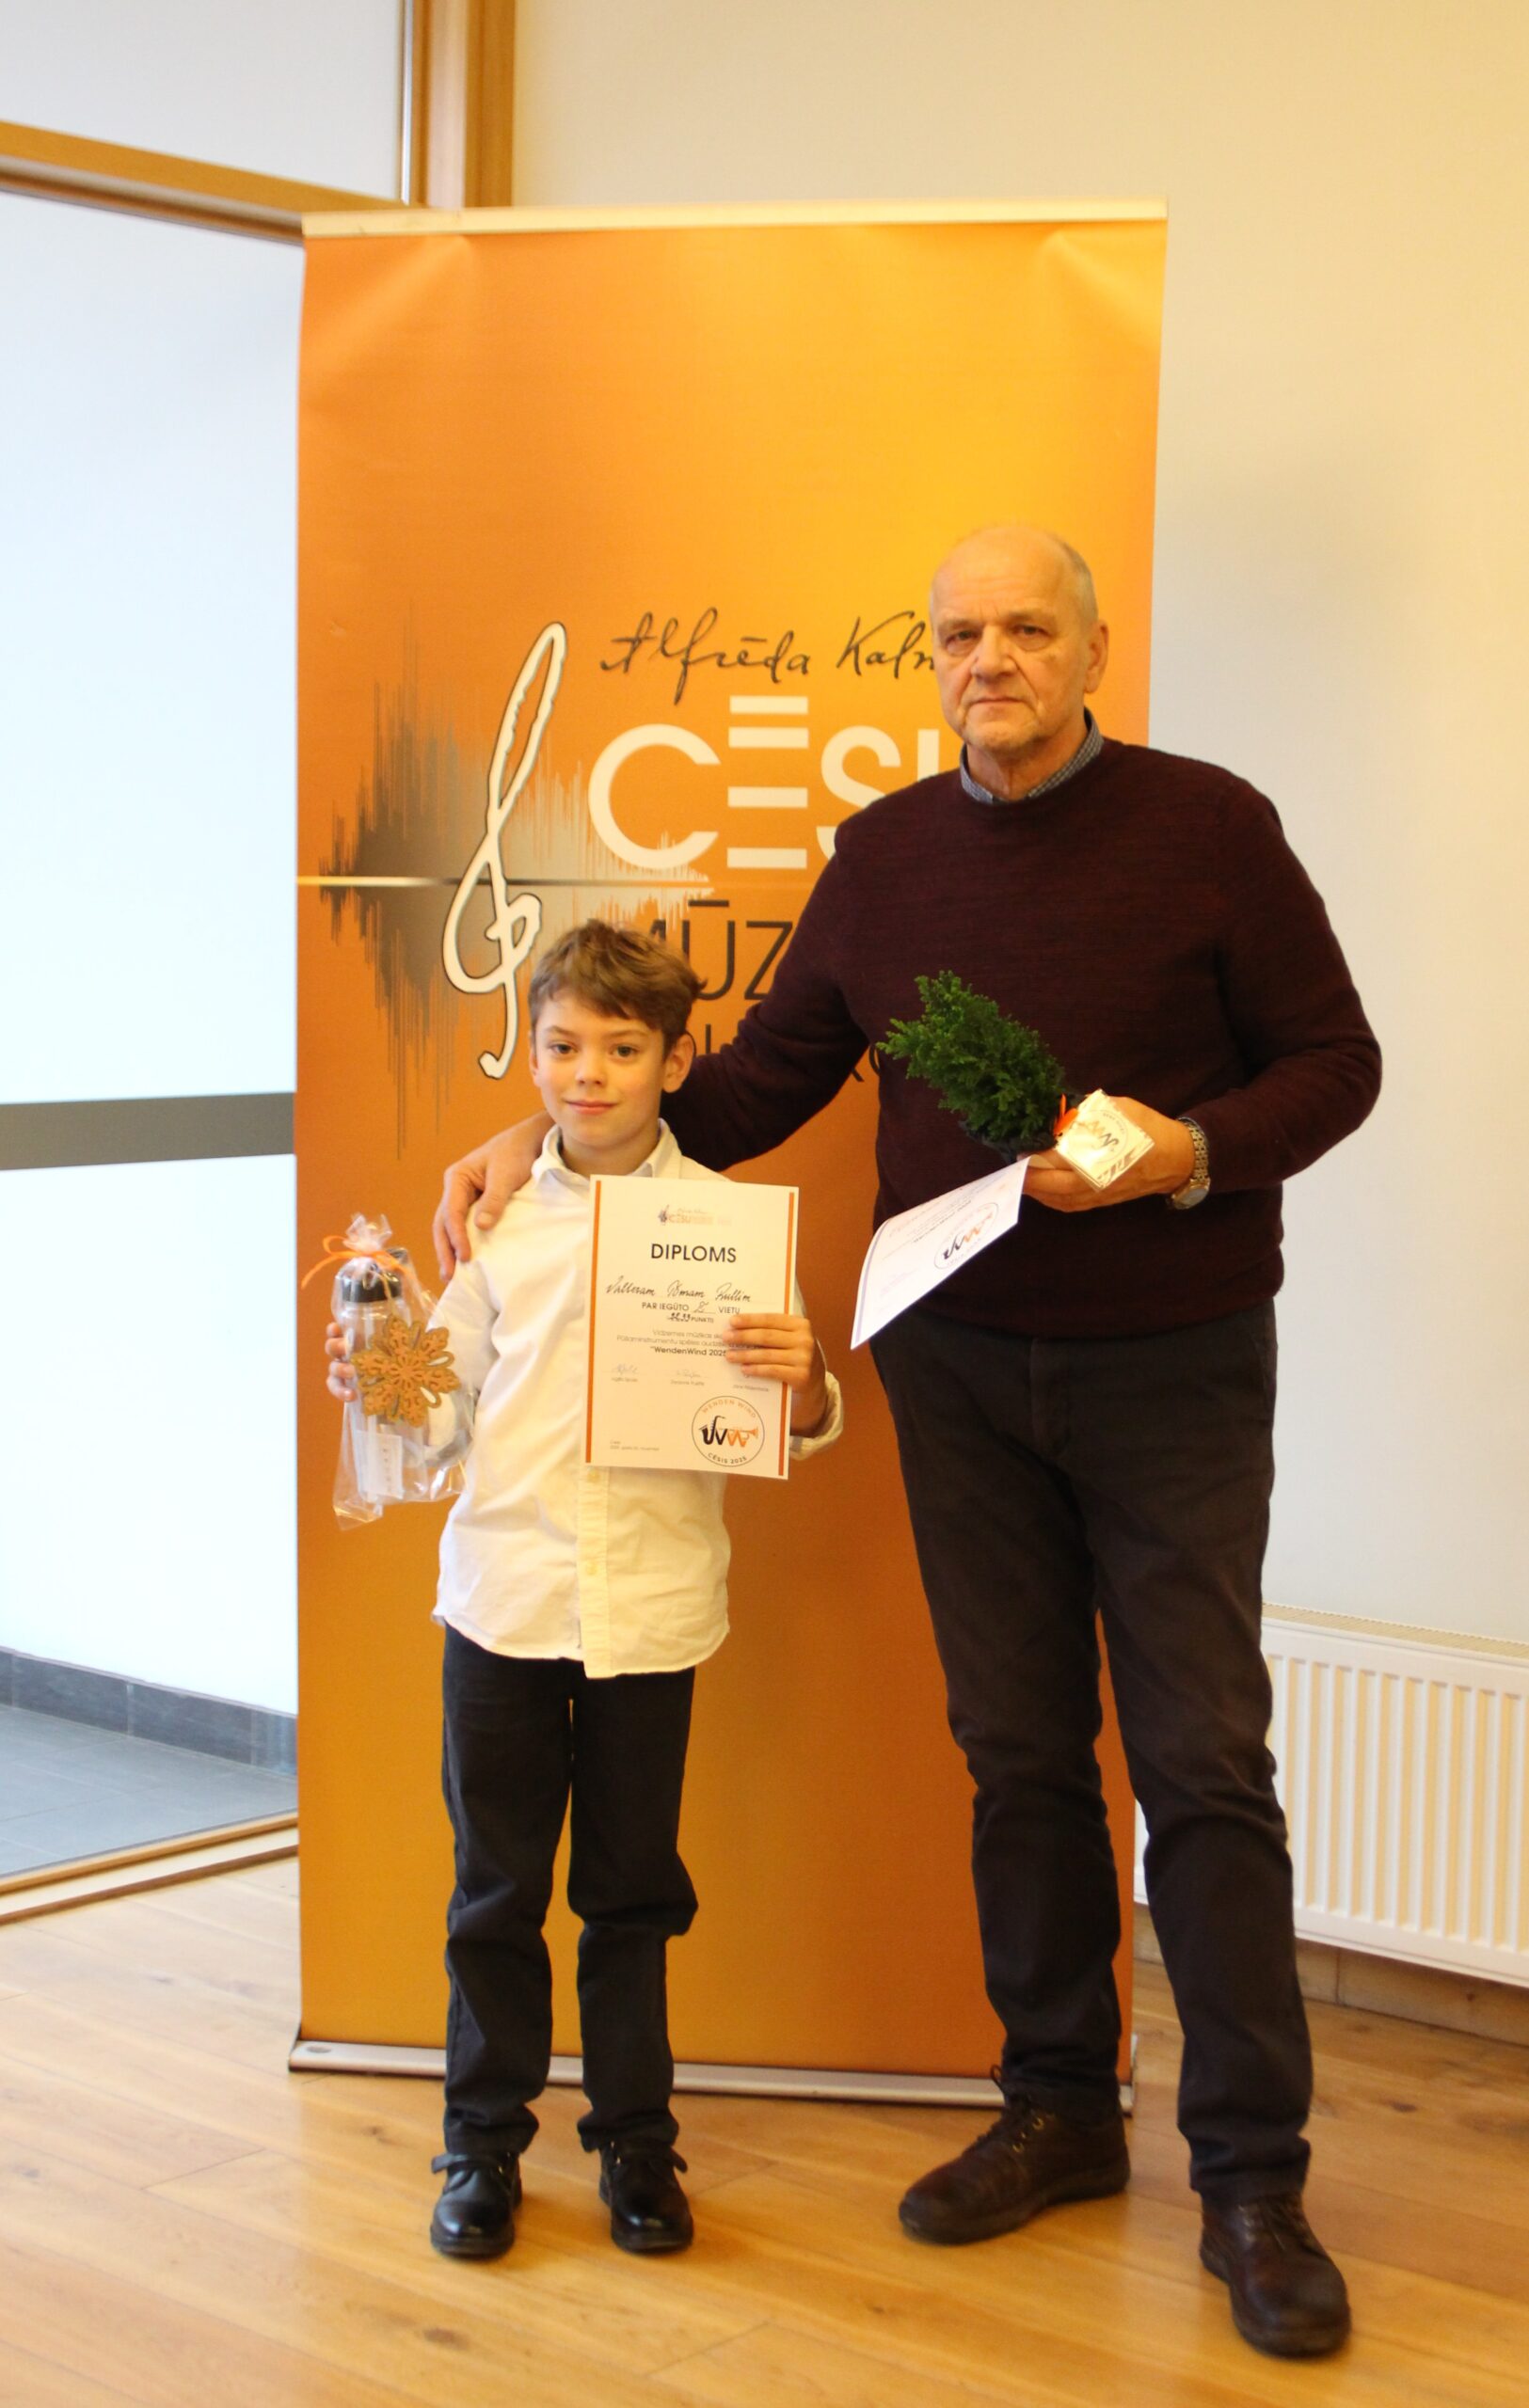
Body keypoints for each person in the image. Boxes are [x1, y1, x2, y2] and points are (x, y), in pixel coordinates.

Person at [435, 528, 1380, 2357]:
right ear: (931, 660)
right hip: (952, 1365)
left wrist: (1189, 1149)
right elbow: (737, 1091)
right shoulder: (879, 859)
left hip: (1174, 1364)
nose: (988, 657)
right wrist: (530, 1133)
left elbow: (1333, 1063)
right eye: (959, 633)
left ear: (1091, 648)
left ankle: (1252, 2181)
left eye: (1026, 626)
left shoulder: (1211, 826)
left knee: (1199, 1765)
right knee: (1018, 1753)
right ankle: (1059, 2109)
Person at [331, 920, 841, 2264]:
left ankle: (635, 2146)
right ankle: (480, 2147)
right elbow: (432, 1424)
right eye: (563, 1047)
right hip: (503, 1604)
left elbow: (790, 1423)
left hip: (652, 1616)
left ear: (676, 1061)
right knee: (494, 1895)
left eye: (622, 1050)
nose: (589, 1075)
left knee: (632, 1896)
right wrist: (376, 1368)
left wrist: (804, 1388)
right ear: (533, 1056)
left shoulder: (730, 1230)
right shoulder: (496, 1228)